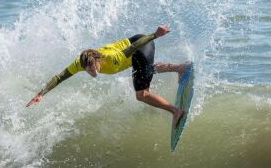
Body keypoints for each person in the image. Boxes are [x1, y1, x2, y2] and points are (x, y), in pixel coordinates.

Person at [26, 25, 189, 127]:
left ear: (98, 60)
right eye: (88, 70)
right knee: (145, 69)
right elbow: (59, 77)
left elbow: (136, 46)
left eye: (94, 68)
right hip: (135, 46)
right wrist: (41, 94)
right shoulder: (80, 62)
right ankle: (180, 68)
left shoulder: (112, 58)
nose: (93, 72)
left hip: (140, 45)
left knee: (142, 95)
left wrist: (155, 34)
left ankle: (176, 111)